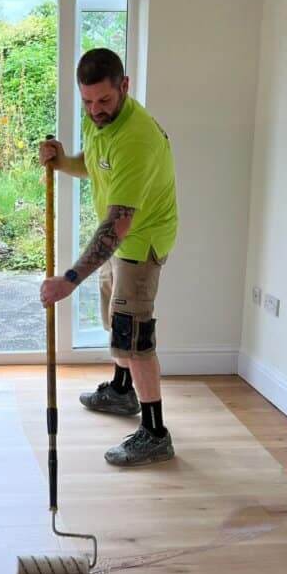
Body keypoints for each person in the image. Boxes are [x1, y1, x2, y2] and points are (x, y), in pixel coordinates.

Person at [39, 48, 179, 467]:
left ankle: (155, 433)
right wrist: (63, 161)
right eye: (87, 102)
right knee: (113, 321)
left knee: (134, 339)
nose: (95, 110)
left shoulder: (136, 139)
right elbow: (98, 164)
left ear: (125, 87)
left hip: (140, 242)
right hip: (120, 238)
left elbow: (119, 222)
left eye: (104, 101)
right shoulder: (100, 119)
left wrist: (68, 278)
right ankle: (122, 391)